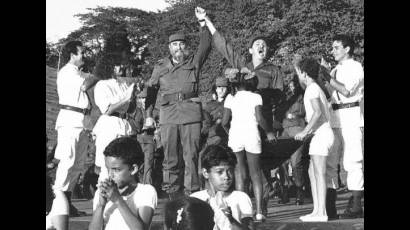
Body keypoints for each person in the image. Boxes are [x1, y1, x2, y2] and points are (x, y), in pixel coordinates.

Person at [197, 7, 285, 215]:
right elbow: (223, 46)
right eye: (257, 44)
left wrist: (271, 123)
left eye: (264, 44)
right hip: (243, 128)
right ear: (250, 50)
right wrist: (207, 20)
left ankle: (262, 210)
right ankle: (242, 210)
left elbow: (280, 98)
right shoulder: (243, 67)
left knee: (260, 171)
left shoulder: (274, 70)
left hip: (264, 124)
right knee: (242, 171)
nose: (261, 46)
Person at [144, 8, 212, 198]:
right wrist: (149, 116)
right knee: (170, 157)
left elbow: (206, 45)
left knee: (191, 156)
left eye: (182, 44)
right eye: (175, 45)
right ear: (169, 48)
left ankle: (193, 194)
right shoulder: (160, 68)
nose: (179, 48)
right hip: (169, 115)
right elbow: (150, 92)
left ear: (186, 47)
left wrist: (202, 23)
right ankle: (173, 193)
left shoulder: (194, 62)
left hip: (191, 113)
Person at [221, 67, 276, 222]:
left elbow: (224, 122)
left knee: (240, 174)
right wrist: (269, 132)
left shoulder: (230, 98)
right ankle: (259, 211)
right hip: (252, 134)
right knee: (255, 174)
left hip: (235, 136)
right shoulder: (255, 97)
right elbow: (260, 119)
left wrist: (230, 133)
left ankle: (241, 212)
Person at [319, 34, 364, 219]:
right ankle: (330, 205)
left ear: (347, 49)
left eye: (336, 47)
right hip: (335, 114)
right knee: (331, 158)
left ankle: (356, 204)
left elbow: (346, 90)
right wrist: (324, 78)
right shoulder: (336, 69)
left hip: (351, 114)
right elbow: (333, 93)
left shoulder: (356, 67)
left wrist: (327, 76)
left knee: (352, 159)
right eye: (332, 47)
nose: (333, 51)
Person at [54, 40, 99, 216]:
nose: (83, 56)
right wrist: (97, 74)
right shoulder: (66, 72)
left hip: (82, 119)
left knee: (78, 164)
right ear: (72, 55)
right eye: (81, 53)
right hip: (69, 119)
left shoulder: (79, 72)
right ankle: (57, 203)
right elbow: (85, 85)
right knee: (67, 161)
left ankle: (67, 201)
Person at [294, 57, 334, 222]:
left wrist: (305, 131)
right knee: (312, 171)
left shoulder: (311, 89)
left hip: (322, 134)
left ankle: (322, 212)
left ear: (303, 73)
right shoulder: (314, 88)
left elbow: (317, 113)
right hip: (320, 134)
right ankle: (317, 210)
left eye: (297, 72)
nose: (297, 75)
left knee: (319, 172)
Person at [88, 136, 157, 230]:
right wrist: (101, 205)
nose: (110, 175)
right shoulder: (101, 194)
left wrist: (117, 200)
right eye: (108, 169)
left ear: (133, 169)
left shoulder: (146, 191)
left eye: (116, 170)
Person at [191, 144, 255, 230]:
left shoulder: (241, 198)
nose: (226, 177)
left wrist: (230, 218)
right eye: (219, 172)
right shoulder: (195, 199)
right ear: (205, 173)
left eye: (230, 171)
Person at [92, 62, 136, 183]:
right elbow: (107, 109)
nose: (121, 66)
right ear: (109, 66)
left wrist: (133, 96)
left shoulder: (123, 85)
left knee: (122, 167)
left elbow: (130, 108)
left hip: (124, 125)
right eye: (117, 64)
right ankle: (101, 200)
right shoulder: (102, 85)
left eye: (121, 64)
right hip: (109, 127)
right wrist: (126, 98)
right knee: (107, 169)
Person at [276, 75, 308, 205]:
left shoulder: (304, 96)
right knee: (281, 162)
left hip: (297, 129)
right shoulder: (284, 98)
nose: (291, 85)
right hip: (284, 130)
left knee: (296, 162)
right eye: (290, 83)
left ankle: (300, 191)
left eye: (294, 83)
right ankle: (285, 190)